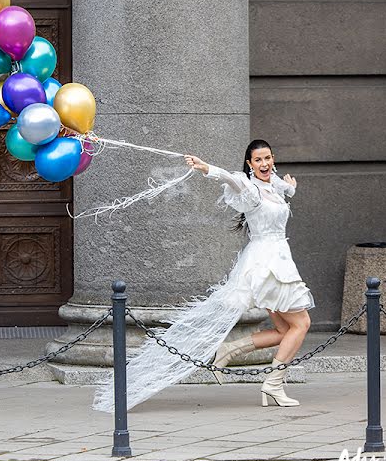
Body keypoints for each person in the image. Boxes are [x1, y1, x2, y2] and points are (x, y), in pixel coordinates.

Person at [93, 139, 313, 412]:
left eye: (267, 158)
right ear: (250, 164)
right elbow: (229, 178)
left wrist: (290, 188)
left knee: (284, 329)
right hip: (267, 265)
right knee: (301, 324)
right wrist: (204, 167)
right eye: (258, 160)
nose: (265, 164)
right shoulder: (249, 187)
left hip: (276, 259)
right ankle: (274, 383)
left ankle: (228, 350)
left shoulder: (274, 185)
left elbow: (282, 190)